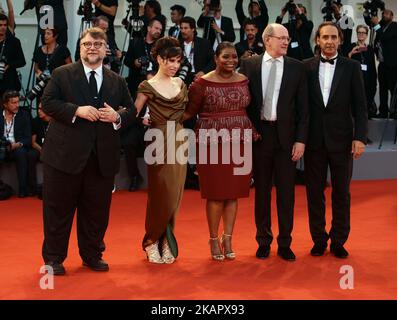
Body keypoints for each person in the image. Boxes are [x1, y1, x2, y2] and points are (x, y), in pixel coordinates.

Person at [40, 27, 136, 275]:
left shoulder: (118, 80)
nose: (92, 48)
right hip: (63, 157)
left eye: (97, 44)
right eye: (87, 44)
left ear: (106, 49)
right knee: (57, 211)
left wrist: (117, 117)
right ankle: (53, 259)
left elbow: (130, 111)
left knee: (96, 212)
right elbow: (48, 103)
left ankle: (92, 255)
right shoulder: (62, 74)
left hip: (102, 159)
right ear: (80, 48)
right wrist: (76, 110)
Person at [183, 42, 259, 261]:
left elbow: (250, 108)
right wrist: (161, 118)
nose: (231, 61)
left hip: (239, 140)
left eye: (234, 57)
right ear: (216, 58)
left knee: (233, 193)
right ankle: (213, 239)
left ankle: (228, 238)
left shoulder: (244, 80)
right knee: (216, 194)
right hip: (211, 142)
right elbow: (189, 113)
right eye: (225, 57)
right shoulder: (201, 83)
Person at [239, 23, 309, 262]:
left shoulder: (296, 68)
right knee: (262, 193)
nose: (286, 42)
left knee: (287, 194)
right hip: (260, 137)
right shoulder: (249, 65)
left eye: (287, 39)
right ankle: (263, 240)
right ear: (267, 39)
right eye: (281, 38)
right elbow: (243, 103)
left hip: (287, 139)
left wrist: (300, 140)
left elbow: (303, 110)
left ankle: (285, 242)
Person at [304, 22, 367, 259]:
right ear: (317, 41)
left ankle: (339, 240)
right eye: (324, 37)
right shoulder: (306, 67)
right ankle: (319, 239)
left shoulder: (352, 67)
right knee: (314, 193)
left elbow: (360, 107)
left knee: (342, 193)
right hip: (314, 141)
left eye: (333, 37)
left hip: (342, 141)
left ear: (340, 40)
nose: (329, 41)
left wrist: (360, 137)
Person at [134, 37, 188, 264]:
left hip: (179, 139)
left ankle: (166, 240)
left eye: (178, 61)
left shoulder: (181, 85)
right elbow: (134, 111)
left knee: (175, 194)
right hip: (158, 141)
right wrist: (144, 120)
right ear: (159, 59)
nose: (175, 65)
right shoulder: (147, 86)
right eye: (170, 60)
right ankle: (151, 241)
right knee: (160, 193)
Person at [0, 91, 36, 197]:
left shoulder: (24, 115)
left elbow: (28, 138)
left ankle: (23, 189)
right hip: (2, 147)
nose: (17, 105)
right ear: (5, 104)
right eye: (13, 103)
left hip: (17, 147)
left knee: (21, 153)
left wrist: (17, 144)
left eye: (18, 102)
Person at [348, 25, 377, 119]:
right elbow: (345, 63)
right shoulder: (351, 46)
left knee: (367, 100)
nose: (361, 34)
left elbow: (372, 67)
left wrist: (374, 81)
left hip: (367, 80)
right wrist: (351, 53)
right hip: (355, 79)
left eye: (363, 33)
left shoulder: (370, 49)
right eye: (359, 32)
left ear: (366, 35)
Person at [372, 9, 397, 118]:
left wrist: (376, 25)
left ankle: (393, 112)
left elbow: (385, 37)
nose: (384, 15)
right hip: (382, 63)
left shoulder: (395, 26)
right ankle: (382, 112)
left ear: (392, 16)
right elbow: (377, 39)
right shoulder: (381, 27)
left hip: (393, 65)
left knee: (393, 89)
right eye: (383, 14)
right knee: (382, 89)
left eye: (387, 13)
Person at [0, 13, 26, 98]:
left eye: (5, 25)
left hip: (9, 84)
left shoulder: (14, 42)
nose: (3, 27)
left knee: (9, 110)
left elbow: (22, 61)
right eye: (0, 25)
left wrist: (9, 65)